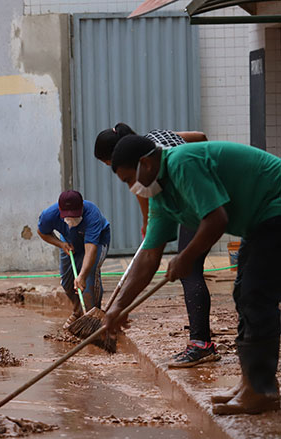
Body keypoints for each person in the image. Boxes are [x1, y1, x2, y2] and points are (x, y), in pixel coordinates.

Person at [106, 135, 281, 415]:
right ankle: (252, 382)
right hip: (259, 221)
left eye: (129, 179)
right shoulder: (162, 198)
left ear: (146, 163)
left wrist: (185, 258)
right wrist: (118, 306)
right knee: (242, 293)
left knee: (255, 294)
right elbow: (149, 256)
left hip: (275, 206)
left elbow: (216, 219)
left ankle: (260, 390)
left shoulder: (181, 164)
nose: (131, 188)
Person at [95, 123, 217, 368]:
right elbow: (201, 137)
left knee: (190, 270)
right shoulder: (155, 140)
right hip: (194, 199)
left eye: (111, 165)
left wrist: (149, 235)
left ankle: (201, 344)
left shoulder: (146, 172)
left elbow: (149, 214)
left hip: (198, 200)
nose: (128, 183)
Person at [37, 190, 110, 329]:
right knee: (67, 281)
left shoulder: (92, 214)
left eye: (75, 216)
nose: (71, 219)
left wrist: (82, 275)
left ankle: (93, 317)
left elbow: (90, 249)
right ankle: (78, 312)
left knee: (89, 277)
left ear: (81, 208)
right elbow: (42, 232)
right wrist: (61, 244)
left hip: (97, 242)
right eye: (67, 216)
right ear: (60, 210)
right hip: (68, 241)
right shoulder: (49, 215)